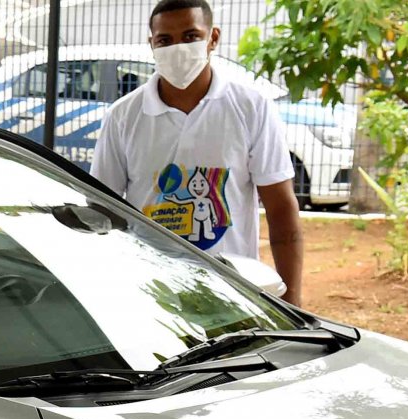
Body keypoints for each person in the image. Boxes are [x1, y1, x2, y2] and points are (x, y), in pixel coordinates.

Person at [90, 0, 303, 304]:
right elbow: (103, 211)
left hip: (232, 291)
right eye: (165, 40)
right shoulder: (123, 116)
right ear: (151, 44)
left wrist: (293, 302)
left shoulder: (251, 108)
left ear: (213, 38)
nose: (178, 48)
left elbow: (281, 209)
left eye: (191, 36)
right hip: (151, 293)